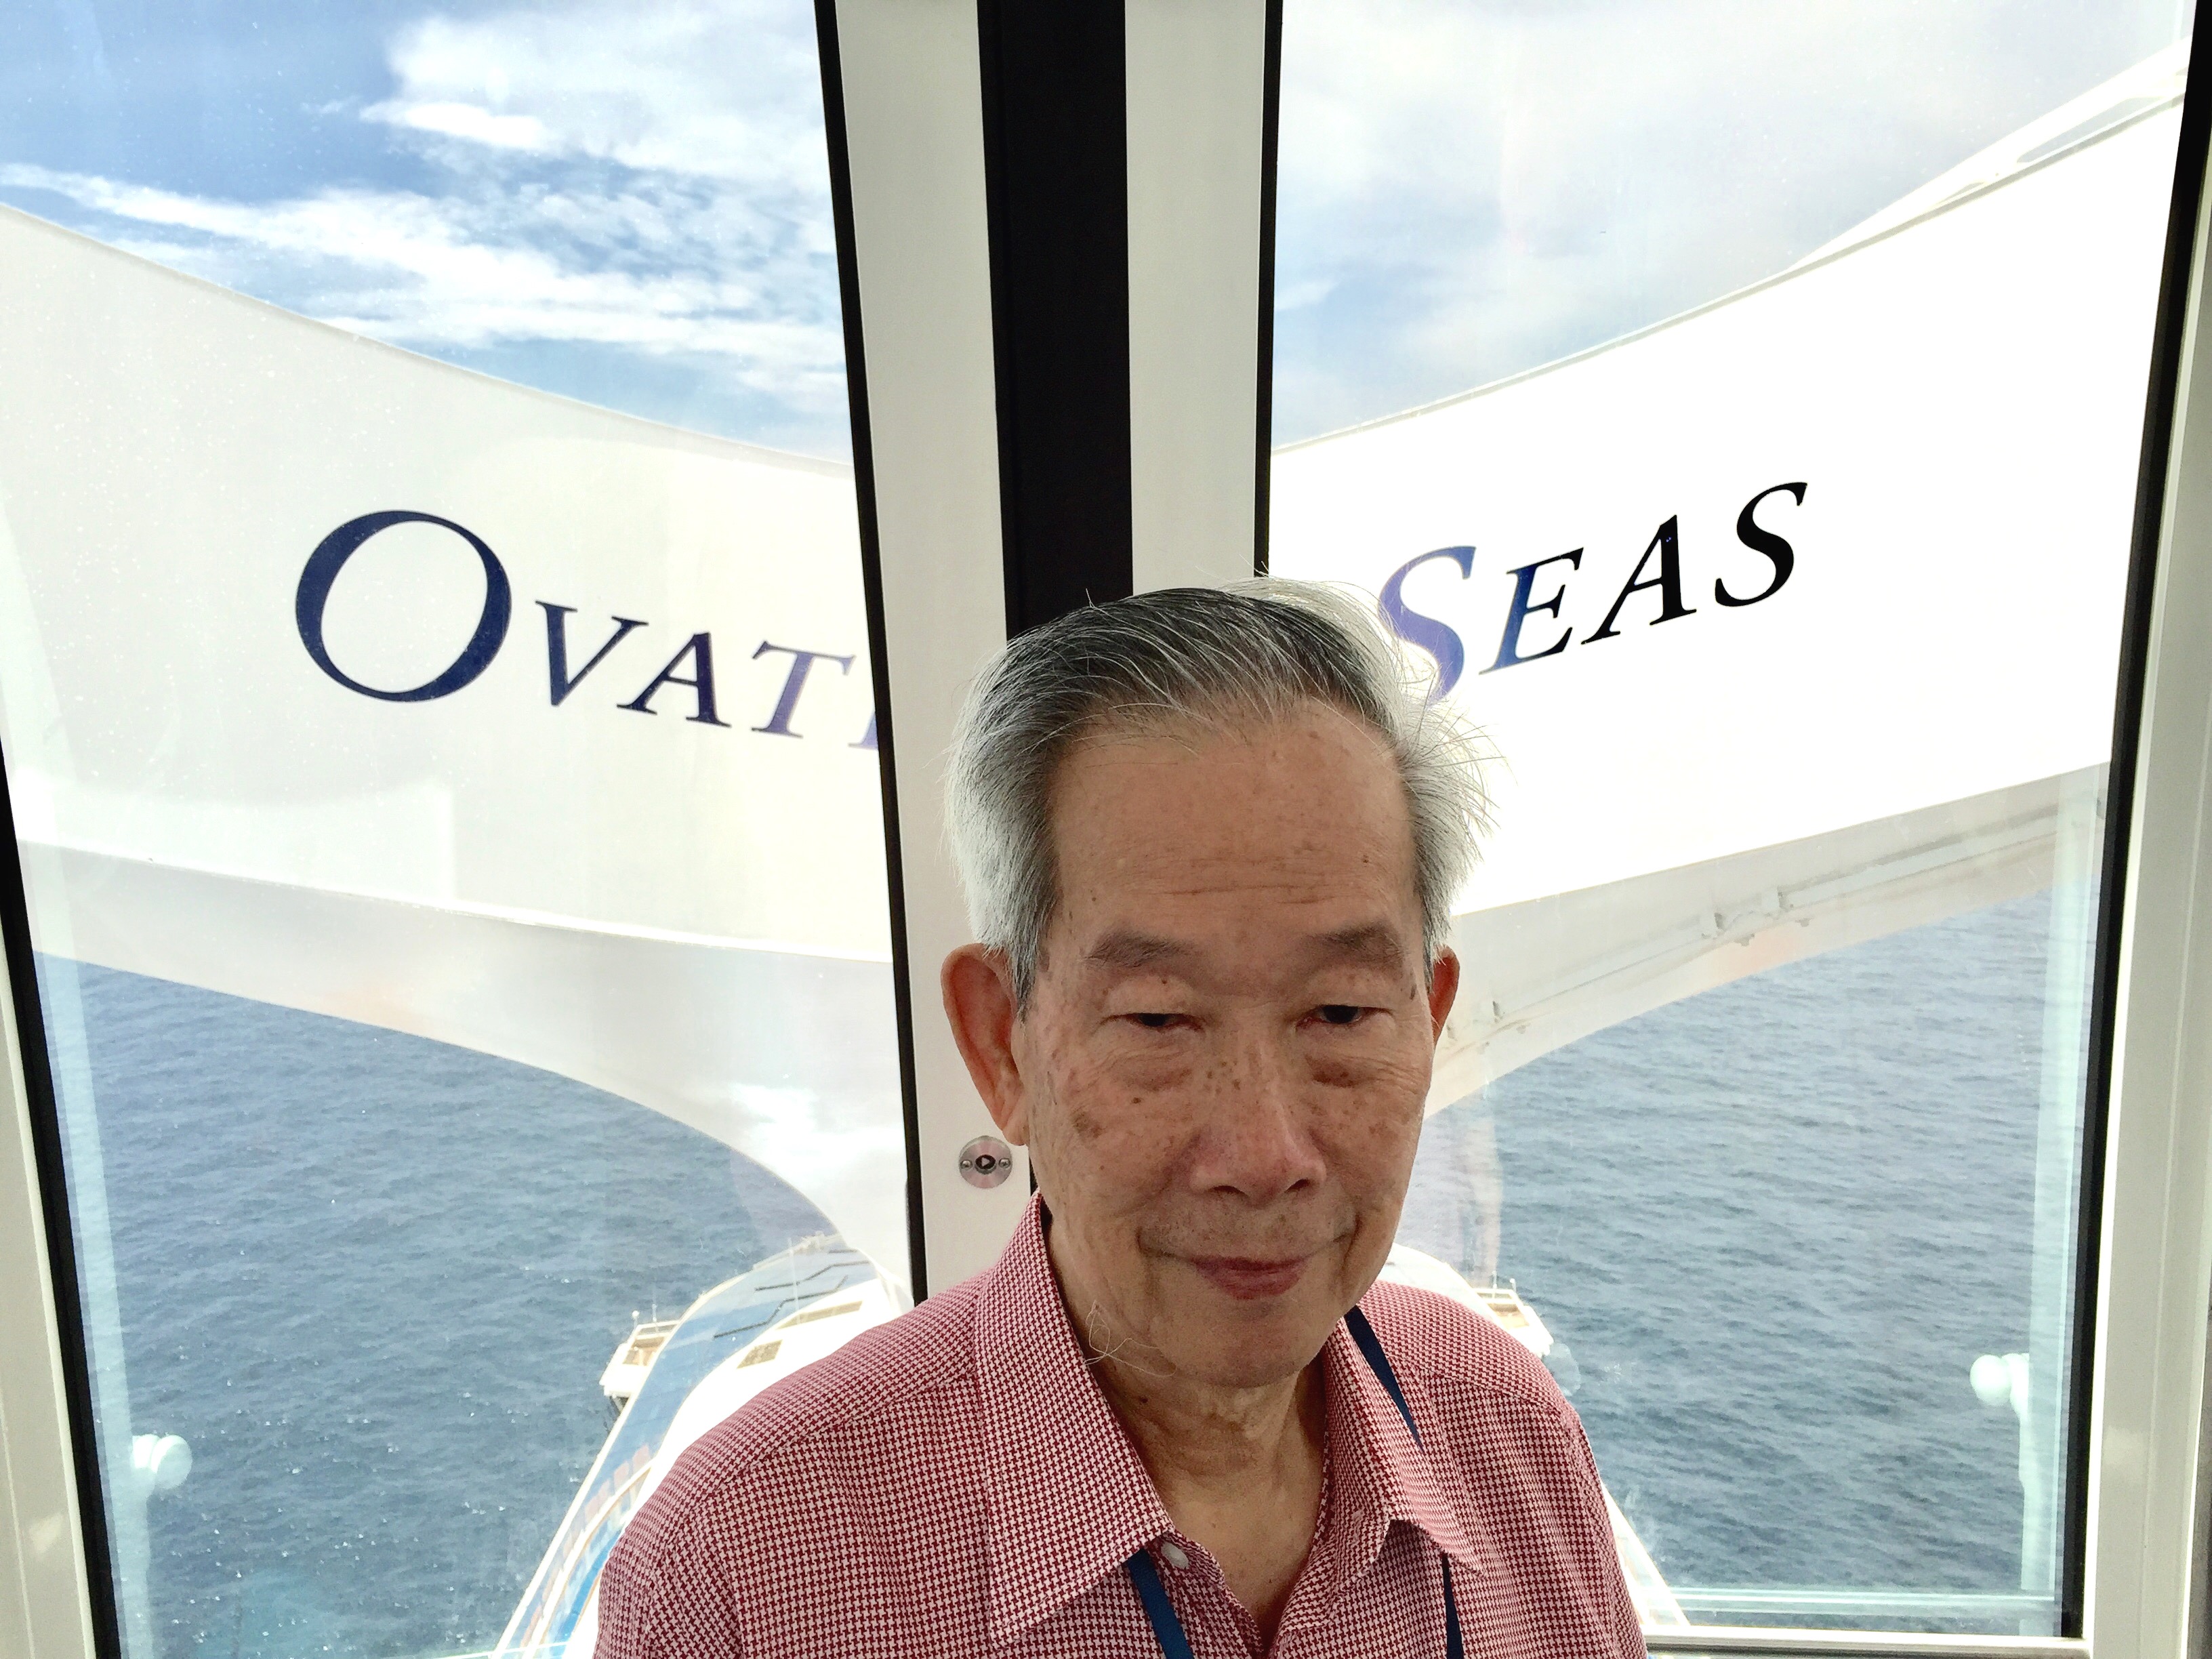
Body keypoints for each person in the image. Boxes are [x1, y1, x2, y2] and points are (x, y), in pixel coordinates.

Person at [595, 583, 1643, 1658]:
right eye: (1158, 1019)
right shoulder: (739, 1573)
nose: (1265, 1157)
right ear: (1002, 1045)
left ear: (1429, 1021)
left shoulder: (1512, 1435)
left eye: (1340, 1012)